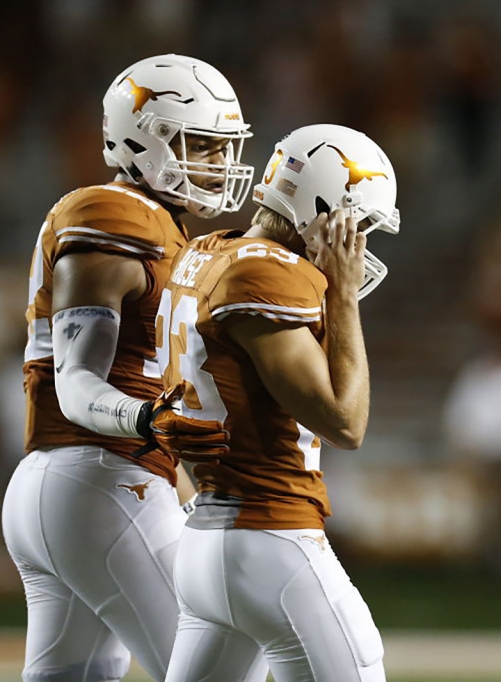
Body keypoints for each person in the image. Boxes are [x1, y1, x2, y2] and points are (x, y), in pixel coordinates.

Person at [1, 54, 254, 682]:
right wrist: (146, 419)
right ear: (143, 137)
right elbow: (76, 383)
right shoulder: (112, 217)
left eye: (224, 150)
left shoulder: (165, 231)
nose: (219, 165)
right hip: (100, 478)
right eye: (202, 145)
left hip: (85, 485)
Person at [157, 123, 399, 682]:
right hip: (273, 540)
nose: (359, 244)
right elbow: (345, 421)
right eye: (358, 225)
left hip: (205, 545)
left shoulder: (205, 253)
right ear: (326, 209)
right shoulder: (267, 274)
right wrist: (341, 299)